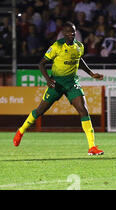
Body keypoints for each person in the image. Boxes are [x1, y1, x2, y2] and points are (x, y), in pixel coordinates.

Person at [13, 22, 105, 155]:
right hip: (57, 83)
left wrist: (91, 74)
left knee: (83, 110)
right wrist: (48, 79)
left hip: (72, 83)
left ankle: (92, 147)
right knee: (40, 111)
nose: (71, 34)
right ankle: (21, 131)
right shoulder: (57, 46)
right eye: (68, 32)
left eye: (73, 32)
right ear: (63, 33)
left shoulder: (79, 46)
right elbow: (41, 64)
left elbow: (79, 61)